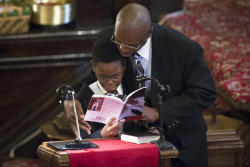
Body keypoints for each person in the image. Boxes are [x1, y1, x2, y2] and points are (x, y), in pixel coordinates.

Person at [65, 3, 217, 167]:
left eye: (130, 45)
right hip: (133, 146)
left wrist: (159, 113)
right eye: (118, 41)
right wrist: (70, 97)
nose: (122, 49)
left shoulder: (184, 49)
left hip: (180, 145)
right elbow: (95, 77)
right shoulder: (109, 37)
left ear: (148, 33)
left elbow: (205, 92)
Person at [69, 37, 142, 138]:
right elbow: (83, 141)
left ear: (124, 67)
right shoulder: (83, 97)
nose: (110, 83)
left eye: (115, 76)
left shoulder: (133, 88)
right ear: (93, 67)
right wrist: (101, 134)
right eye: (103, 76)